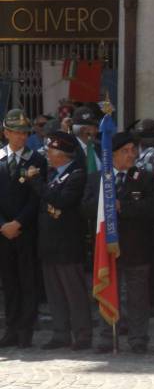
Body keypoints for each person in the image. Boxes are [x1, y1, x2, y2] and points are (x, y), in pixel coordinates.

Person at [83, 131, 154, 353]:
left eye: (133, 150)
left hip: (136, 247)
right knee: (107, 290)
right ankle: (107, 337)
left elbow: (151, 209)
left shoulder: (144, 177)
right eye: (125, 151)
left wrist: (121, 207)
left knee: (137, 297)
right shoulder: (97, 178)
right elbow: (84, 208)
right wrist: (103, 205)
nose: (131, 154)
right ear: (112, 155)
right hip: (105, 249)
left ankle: (138, 338)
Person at [29, 131, 91, 350]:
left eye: (51, 150)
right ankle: (60, 333)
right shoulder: (53, 174)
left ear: (62, 153)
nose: (47, 154)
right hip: (49, 244)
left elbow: (61, 200)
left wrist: (37, 183)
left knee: (74, 293)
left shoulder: (76, 175)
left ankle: (82, 334)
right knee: (55, 294)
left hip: (67, 245)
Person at [0, 109, 42, 348]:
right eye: (16, 132)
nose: (21, 137)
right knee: (9, 282)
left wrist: (19, 223)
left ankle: (26, 330)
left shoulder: (36, 160)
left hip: (26, 231)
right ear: (6, 133)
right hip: (4, 233)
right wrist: (3, 225)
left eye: (24, 133)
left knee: (28, 282)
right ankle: (12, 328)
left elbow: (36, 198)